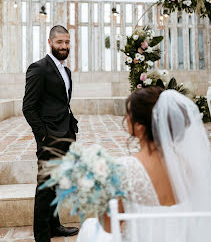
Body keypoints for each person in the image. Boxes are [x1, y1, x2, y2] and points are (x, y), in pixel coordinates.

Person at [77, 87, 211, 242]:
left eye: (128, 114)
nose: (126, 118)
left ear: (140, 126)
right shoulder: (189, 166)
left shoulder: (124, 169)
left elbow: (108, 226)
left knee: (89, 229)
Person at [22, 25, 79, 242]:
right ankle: (42, 235)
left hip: (66, 134)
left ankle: (55, 226)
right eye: (59, 43)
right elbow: (28, 107)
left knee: (57, 184)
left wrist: (70, 126)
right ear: (50, 42)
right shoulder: (39, 68)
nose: (64, 46)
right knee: (46, 187)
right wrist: (43, 135)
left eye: (67, 42)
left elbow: (62, 103)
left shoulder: (66, 71)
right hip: (49, 138)